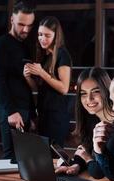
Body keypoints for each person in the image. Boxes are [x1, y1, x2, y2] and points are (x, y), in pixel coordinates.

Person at [55, 67, 114, 179]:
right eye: (83, 94)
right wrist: (77, 165)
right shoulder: (92, 119)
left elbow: (99, 171)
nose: (89, 99)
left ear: (107, 91)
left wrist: (88, 158)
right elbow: (86, 149)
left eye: (96, 92)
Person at [0, 0, 35, 162]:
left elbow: (26, 84)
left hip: (24, 109)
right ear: (11, 20)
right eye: (21, 24)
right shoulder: (1, 44)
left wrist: (31, 113)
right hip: (9, 109)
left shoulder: (25, 46)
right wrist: (11, 111)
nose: (25, 29)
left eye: (29, 25)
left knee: (25, 159)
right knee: (10, 159)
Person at [23, 16, 72, 147]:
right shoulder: (45, 56)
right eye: (40, 34)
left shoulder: (63, 54)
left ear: (56, 36)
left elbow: (64, 88)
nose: (42, 39)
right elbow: (38, 88)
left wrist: (41, 72)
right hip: (44, 113)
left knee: (53, 157)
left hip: (56, 115)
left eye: (47, 35)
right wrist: (27, 76)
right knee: (44, 156)